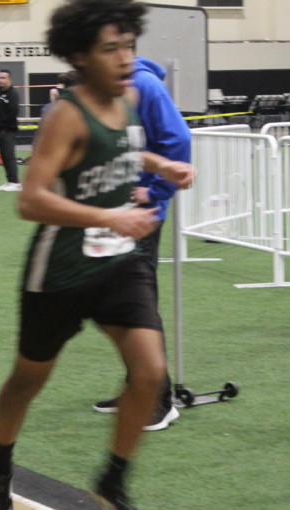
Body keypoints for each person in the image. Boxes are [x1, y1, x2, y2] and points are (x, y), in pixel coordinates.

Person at [0, 0, 195, 510]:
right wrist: (111, 216)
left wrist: (161, 165)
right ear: (80, 55)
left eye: (129, 46)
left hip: (119, 262)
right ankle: (1, 459)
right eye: (110, 49)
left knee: (149, 372)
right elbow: (31, 200)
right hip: (61, 270)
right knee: (28, 380)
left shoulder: (130, 98)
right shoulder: (66, 115)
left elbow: (125, 149)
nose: (125, 59)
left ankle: (112, 481)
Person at [91, 55, 192, 431]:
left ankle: (158, 399)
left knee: (137, 305)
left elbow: (179, 139)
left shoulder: (145, 84)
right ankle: (139, 386)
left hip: (140, 214)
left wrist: (156, 191)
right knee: (116, 303)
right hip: (114, 212)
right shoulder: (106, 83)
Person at [0, 69, 21, 192]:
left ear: (9, 80)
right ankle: (9, 181)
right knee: (4, 157)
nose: (0, 80)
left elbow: (13, 112)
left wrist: (5, 126)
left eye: (3, 78)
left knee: (9, 156)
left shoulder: (12, 94)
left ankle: (15, 182)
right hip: (0, 130)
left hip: (8, 130)